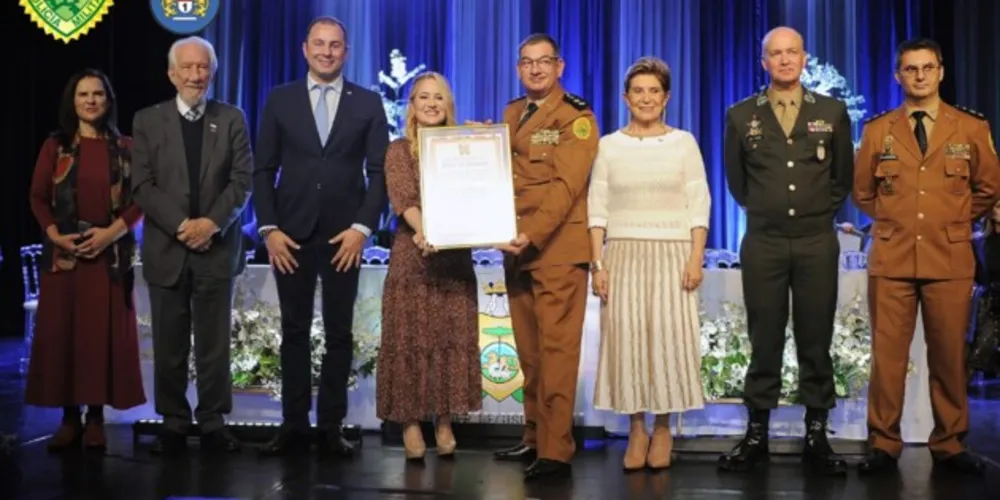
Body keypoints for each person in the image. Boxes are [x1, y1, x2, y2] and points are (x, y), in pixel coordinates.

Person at [853, 37, 1000, 476]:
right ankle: (883, 443)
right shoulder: (879, 130)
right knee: (888, 357)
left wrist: (950, 219)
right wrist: (902, 221)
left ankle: (950, 444)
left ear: (940, 73)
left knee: (950, 355)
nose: (919, 76)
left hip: (949, 258)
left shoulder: (971, 128)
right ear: (898, 76)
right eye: (910, 69)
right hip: (894, 258)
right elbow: (863, 191)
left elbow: (989, 188)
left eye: (927, 68)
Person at [252, 16, 390, 457]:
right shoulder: (280, 99)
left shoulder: (367, 103)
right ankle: (293, 425)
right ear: (304, 48)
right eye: (319, 44)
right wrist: (269, 229)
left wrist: (362, 229)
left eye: (335, 45)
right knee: (292, 331)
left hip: (342, 238)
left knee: (339, 333)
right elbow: (262, 169)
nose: (327, 52)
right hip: (289, 236)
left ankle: (331, 426)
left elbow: (379, 172)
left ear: (345, 52)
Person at [718, 26, 853, 475]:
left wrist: (814, 214)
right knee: (765, 338)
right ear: (764, 62)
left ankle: (817, 435)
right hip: (765, 241)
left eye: (792, 52)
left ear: (804, 57)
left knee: (816, 339)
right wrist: (770, 211)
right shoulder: (741, 116)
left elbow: (841, 180)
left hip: (817, 240)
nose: (784, 60)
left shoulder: (831, 112)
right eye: (775, 54)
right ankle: (756, 434)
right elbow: (737, 183)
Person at [131, 36, 253, 454]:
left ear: (212, 72)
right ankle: (175, 421)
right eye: (187, 68)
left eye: (202, 68)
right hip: (168, 248)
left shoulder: (233, 118)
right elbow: (142, 185)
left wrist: (211, 224)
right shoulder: (147, 121)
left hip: (216, 250)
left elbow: (241, 183)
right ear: (171, 74)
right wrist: (184, 225)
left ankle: (214, 422)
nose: (195, 76)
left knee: (215, 345)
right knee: (169, 344)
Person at [588, 56, 710, 471]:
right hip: (622, 255)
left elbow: (699, 204)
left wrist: (696, 257)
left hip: (672, 254)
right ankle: (635, 427)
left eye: (653, 91)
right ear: (626, 98)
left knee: (669, 342)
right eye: (638, 91)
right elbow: (597, 208)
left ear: (666, 97)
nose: (646, 98)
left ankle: (663, 428)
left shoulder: (684, 143)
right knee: (626, 342)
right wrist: (597, 264)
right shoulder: (608, 145)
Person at [490, 33, 599, 481]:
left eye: (544, 62)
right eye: (527, 63)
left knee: (556, 353)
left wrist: (529, 234)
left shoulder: (577, 117)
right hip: (515, 248)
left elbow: (565, 188)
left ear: (560, 66)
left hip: (554, 247)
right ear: (518, 69)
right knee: (530, 354)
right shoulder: (513, 113)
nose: (535, 69)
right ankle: (534, 436)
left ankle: (556, 451)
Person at [25, 68, 145, 452]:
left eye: (98, 94)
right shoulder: (55, 147)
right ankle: (69, 418)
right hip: (66, 257)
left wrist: (111, 233)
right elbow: (38, 197)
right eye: (83, 95)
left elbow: (140, 199)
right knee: (64, 337)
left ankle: (95, 418)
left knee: (99, 339)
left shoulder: (126, 147)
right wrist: (55, 234)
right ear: (72, 102)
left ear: (108, 101)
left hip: (108, 256)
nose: (91, 100)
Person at [375, 72, 481, 460]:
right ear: (412, 105)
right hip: (414, 258)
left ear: (448, 105)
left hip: (454, 262)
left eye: (439, 97)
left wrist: (486, 146)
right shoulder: (399, 150)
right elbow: (403, 199)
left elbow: (482, 191)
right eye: (424, 97)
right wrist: (425, 231)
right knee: (411, 341)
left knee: (448, 341)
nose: (432, 103)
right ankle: (410, 423)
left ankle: (445, 421)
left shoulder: (463, 146)